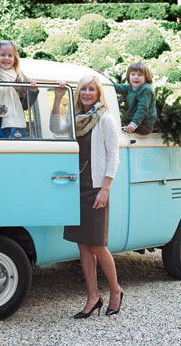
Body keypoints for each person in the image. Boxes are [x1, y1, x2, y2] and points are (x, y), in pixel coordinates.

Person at [50, 74, 123, 318]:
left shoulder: (105, 119)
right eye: (83, 89)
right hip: (76, 186)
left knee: (98, 245)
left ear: (98, 93)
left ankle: (115, 291)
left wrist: (105, 189)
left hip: (96, 187)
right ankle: (93, 297)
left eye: (92, 89)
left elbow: (114, 157)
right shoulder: (75, 118)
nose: (87, 93)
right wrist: (58, 99)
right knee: (82, 245)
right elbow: (55, 128)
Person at [0, 40, 38, 138]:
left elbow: (25, 106)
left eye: (10, 55)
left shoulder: (20, 78)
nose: (6, 58)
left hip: (14, 124)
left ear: (15, 58)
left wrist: (33, 90)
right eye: (2, 55)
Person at [106, 61, 157, 135]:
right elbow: (116, 87)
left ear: (146, 77)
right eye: (133, 74)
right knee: (115, 125)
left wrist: (134, 124)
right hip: (133, 120)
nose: (136, 77)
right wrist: (105, 78)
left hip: (144, 124)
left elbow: (142, 108)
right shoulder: (131, 87)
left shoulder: (146, 89)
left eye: (140, 75)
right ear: (128, 76)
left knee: (119, 130)